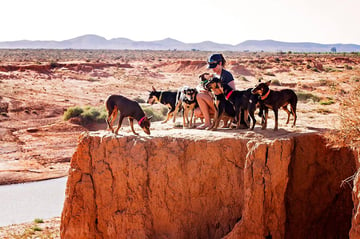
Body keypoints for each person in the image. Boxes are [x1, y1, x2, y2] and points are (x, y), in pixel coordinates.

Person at [195, 53, 236, 129]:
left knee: (200, 96)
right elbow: (200, 86)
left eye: (214, 66)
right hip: (216, 100)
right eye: (211, 67)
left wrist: (218, 89)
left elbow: (233, 92)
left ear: (220, 63)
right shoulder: (213, 76)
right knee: (197, 111)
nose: (212, 69)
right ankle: (208, 122)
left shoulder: (226, 75)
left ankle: (223, 120)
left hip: (225, 104)